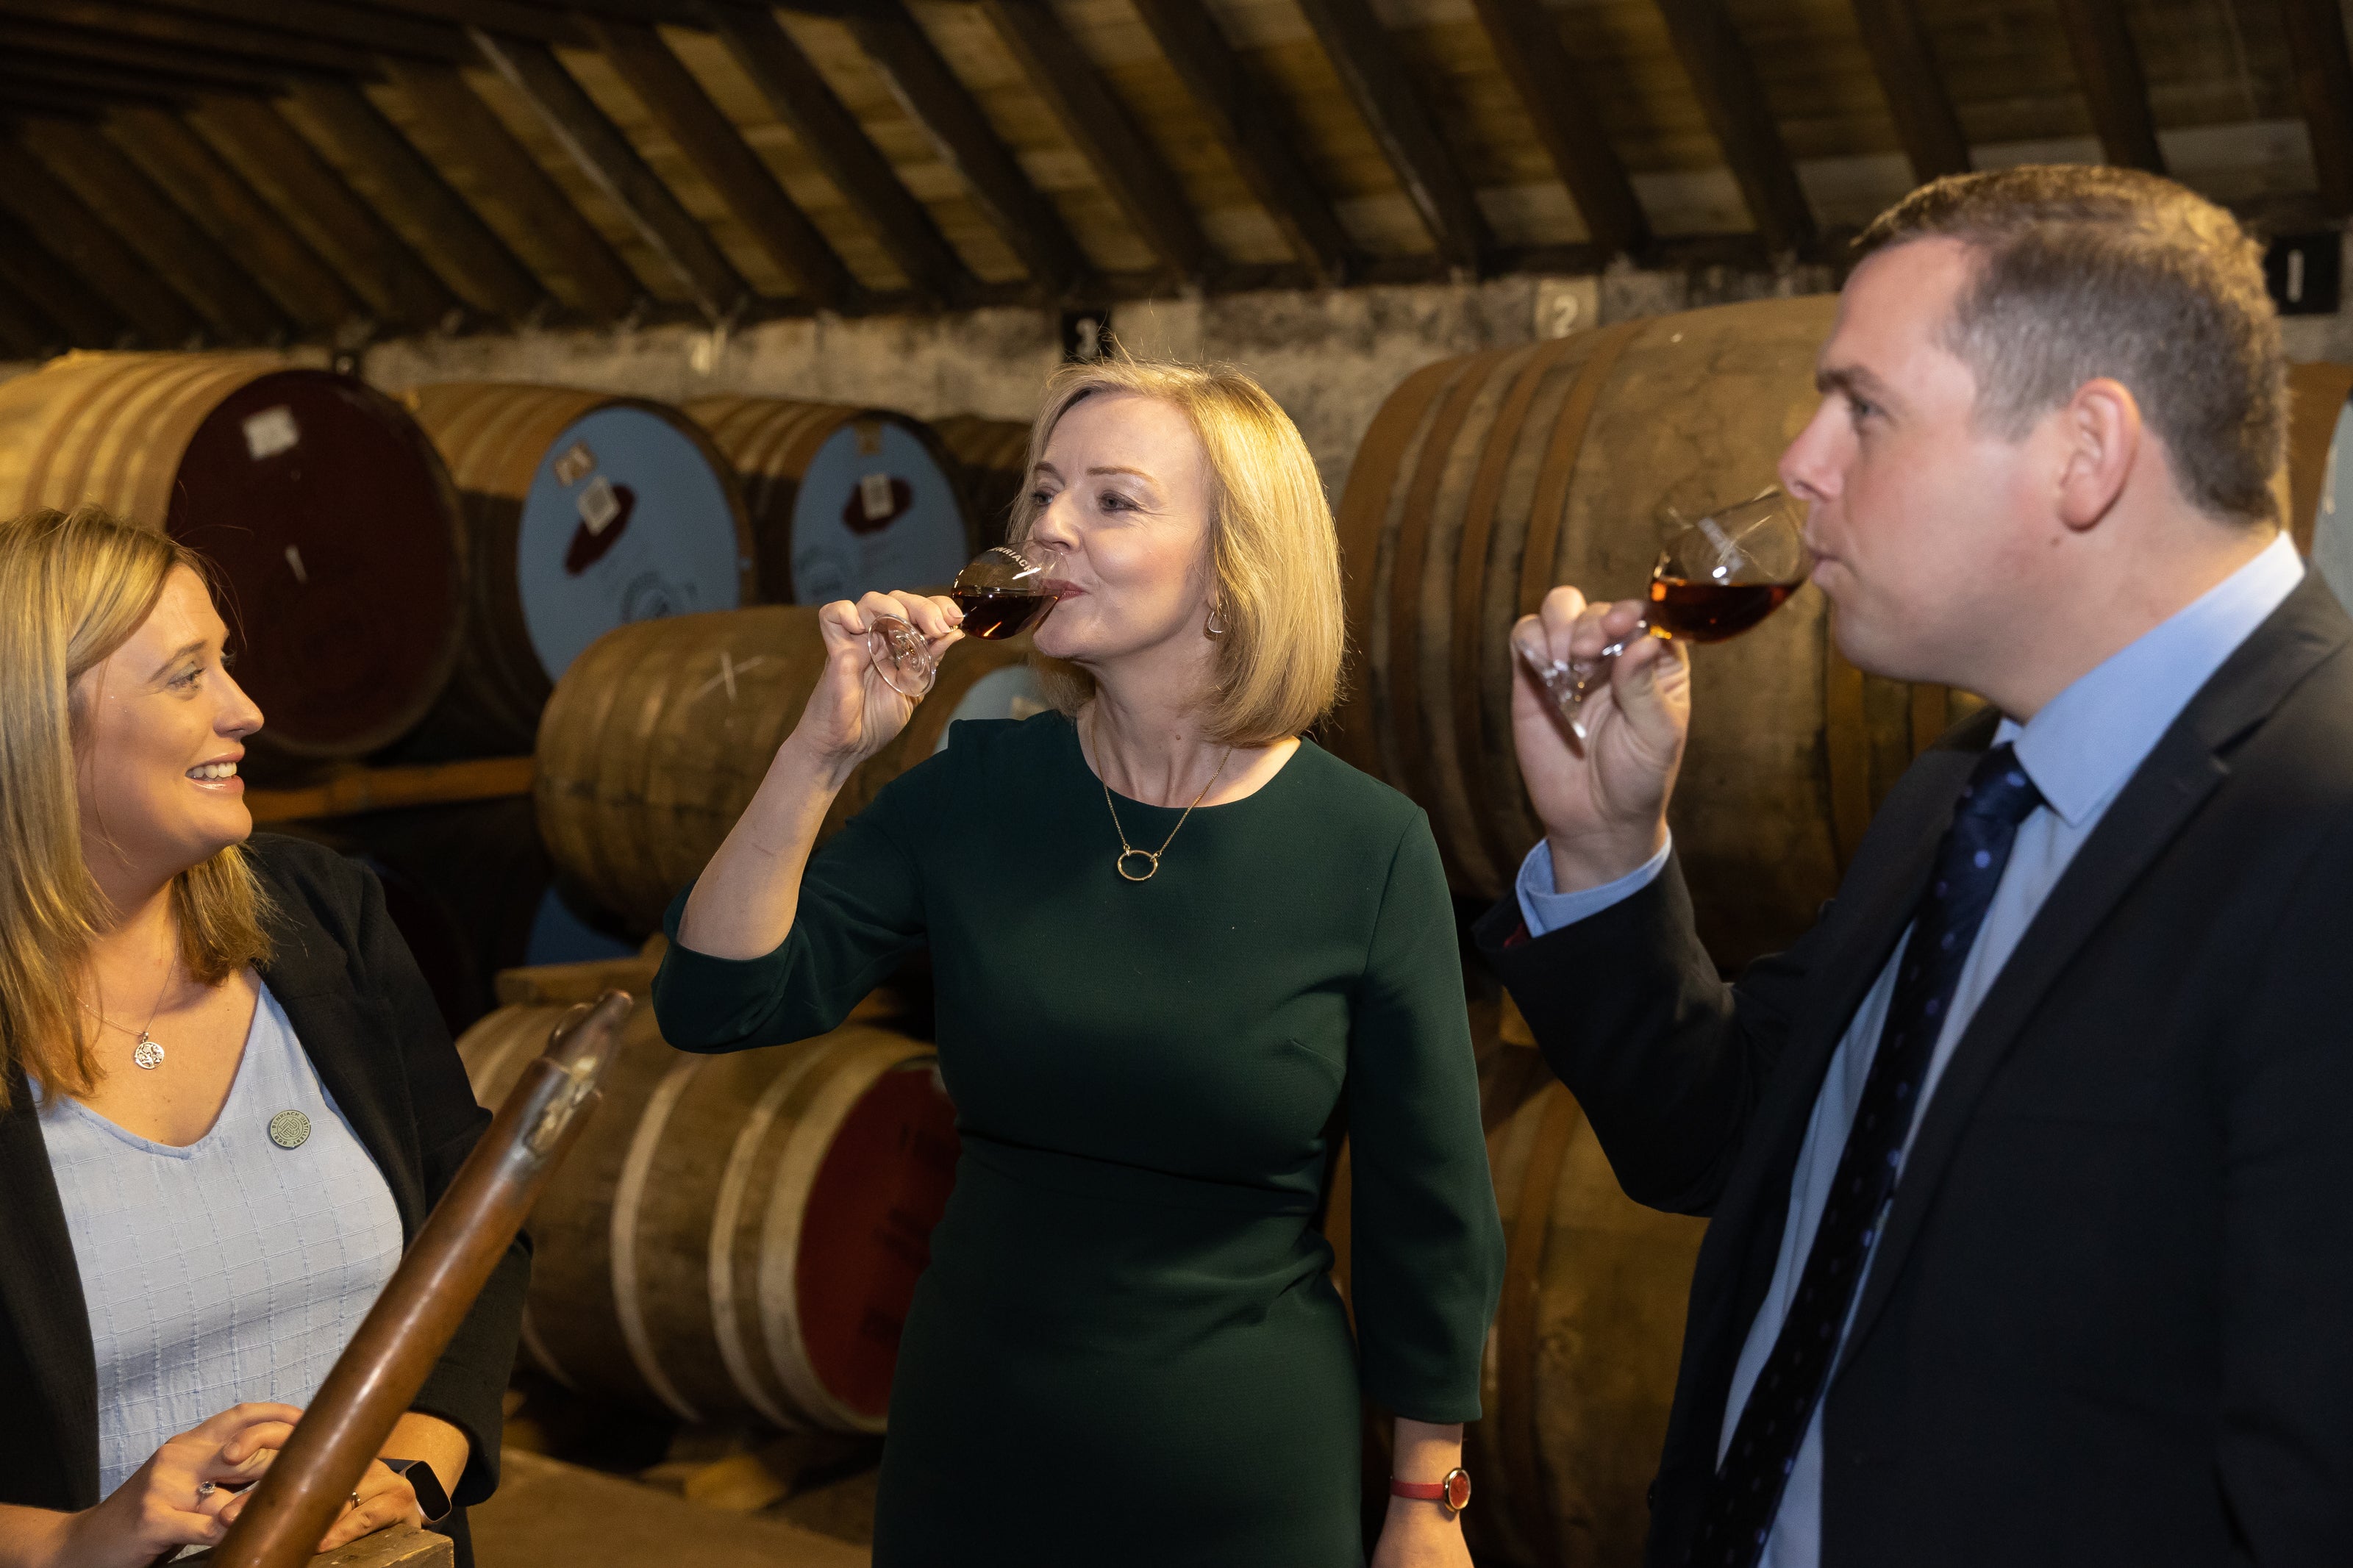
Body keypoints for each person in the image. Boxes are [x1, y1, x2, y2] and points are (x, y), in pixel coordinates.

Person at [1481, 165, 2353, 1567]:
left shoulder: (2321, 832)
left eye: (1863, 409)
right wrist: (1604, 842)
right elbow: (1729, 1137)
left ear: (2089, 450)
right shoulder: (1967, 782)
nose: (1805, 460)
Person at [654, 359, 1505, 1567]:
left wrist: (1429, 1500)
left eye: (1113, 500)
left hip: (1240, 1474)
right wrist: (819, 754)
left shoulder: (1368, 849)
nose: (1050, 525)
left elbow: (1433, 1207)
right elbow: (715, 999)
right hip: (975, 1449)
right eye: (1045, 492)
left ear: (1234, 560)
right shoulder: (976, 794)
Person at [0, 507, 525, 1568]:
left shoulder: (325, 916)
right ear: (42, 722)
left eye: (226, 663)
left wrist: (412, 1470)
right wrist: (71, 1541)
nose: (247, 709)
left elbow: (481, 1228)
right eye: (187, 675)